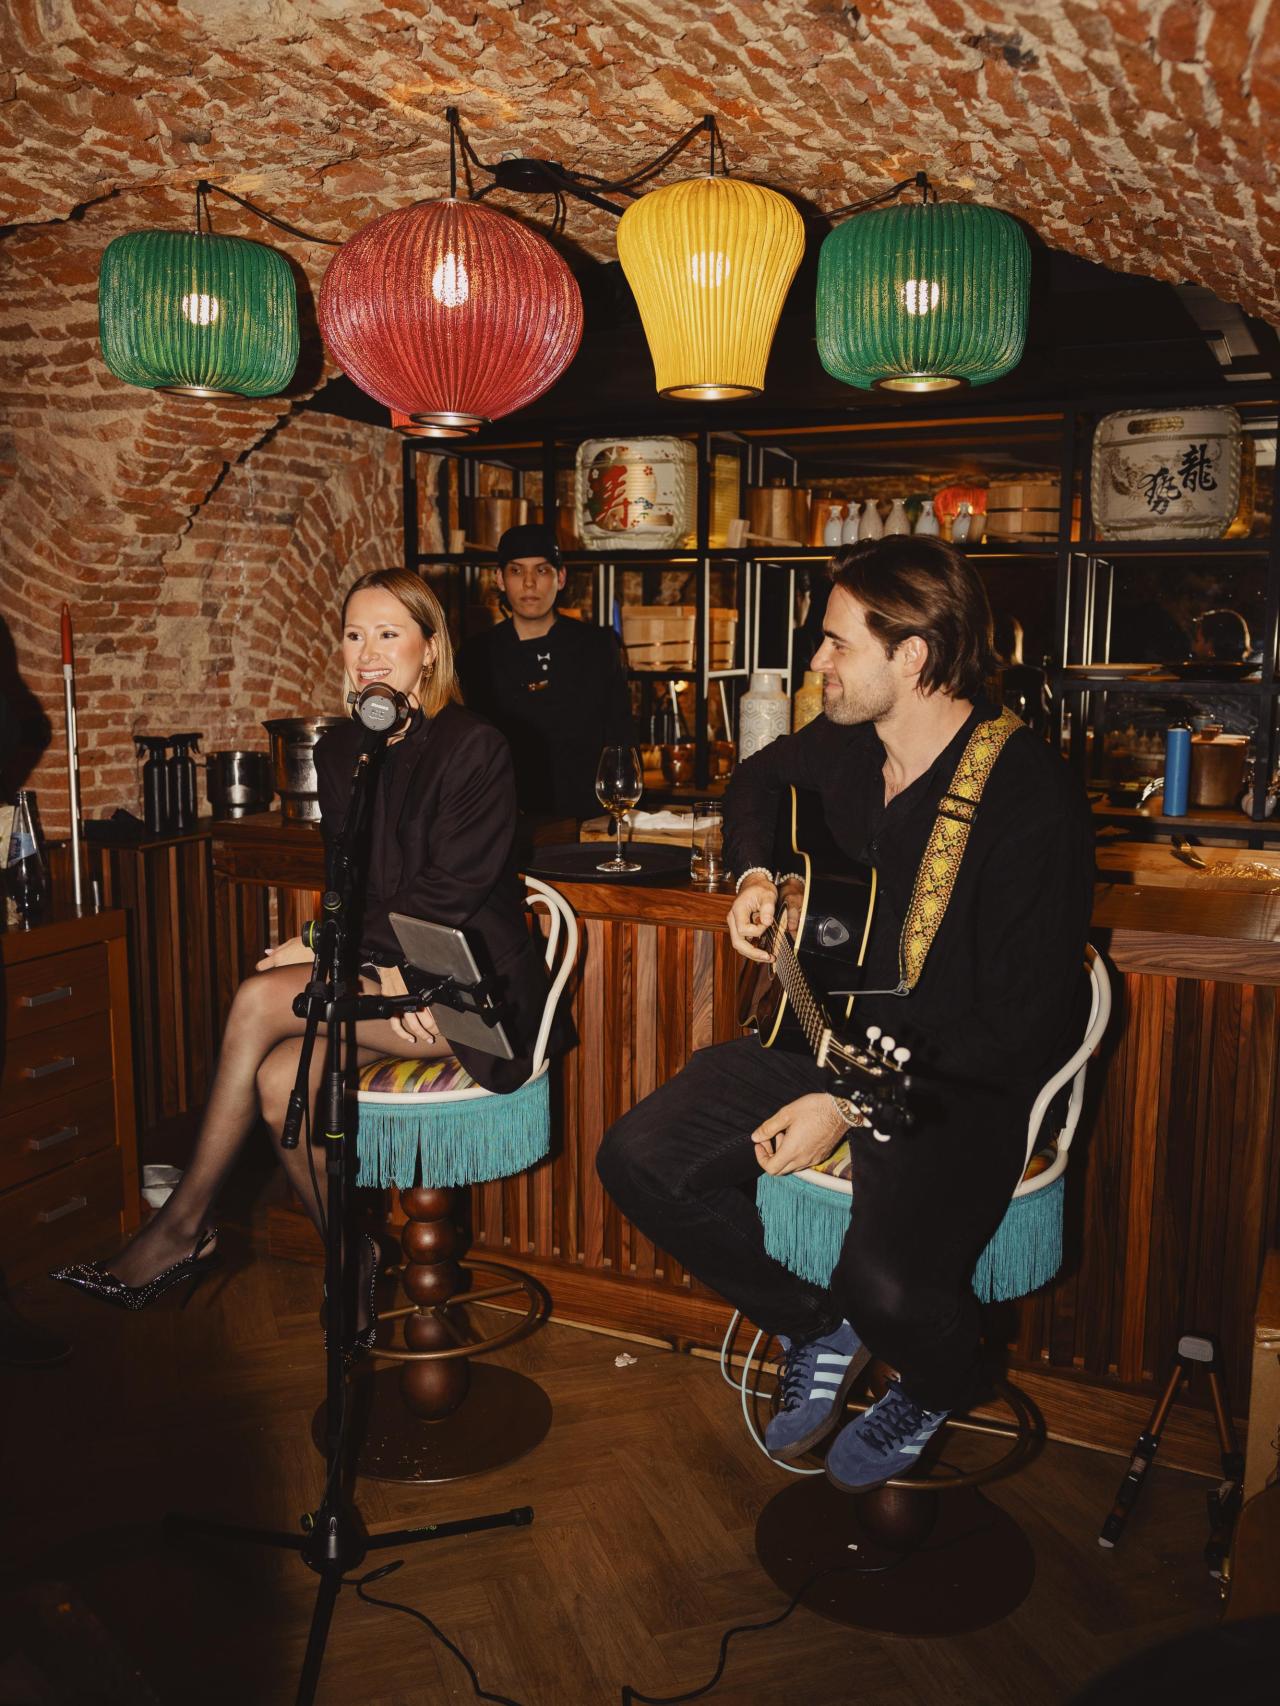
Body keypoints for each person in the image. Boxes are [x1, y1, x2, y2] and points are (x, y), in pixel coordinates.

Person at [597, 536, 1095, 1493]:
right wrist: (754, 874)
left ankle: (945, 1375)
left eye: (835, 644)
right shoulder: (849, 744)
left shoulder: (1028, 795)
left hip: (952, 1079)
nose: (815, 662)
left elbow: (1024, 1018)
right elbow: (756, 780)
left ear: (911, 657)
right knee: (640, 1160)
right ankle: (815, 1325)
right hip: (819, 1036)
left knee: (891, 1285)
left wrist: (848, 1103)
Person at [53, 569, 557, 1331]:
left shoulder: (476, 745)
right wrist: (357, 958)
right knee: (280, 1078)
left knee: (260, 998)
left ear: (430, 647)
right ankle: (348, 1252)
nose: (369, 653)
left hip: (468, 989)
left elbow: (445, 894)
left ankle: (182, 1228)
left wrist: (333, 949)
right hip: (389, 979)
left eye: (390, 633)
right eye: (355, 635)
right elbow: (351, 883)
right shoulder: (345, 748)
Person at [457, 523, 633, 820]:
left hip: (587, 820)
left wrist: (620, 810)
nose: (528, 583)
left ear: (560, 577)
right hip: (504, 818)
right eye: (516, 571)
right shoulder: (475, 655)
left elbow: (621, 737)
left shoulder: (597, 647)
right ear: (499, 579)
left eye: (541, 571)